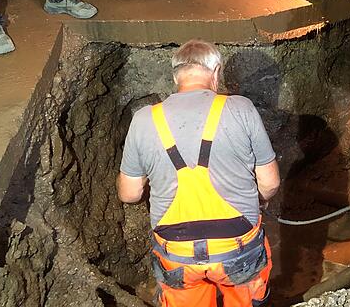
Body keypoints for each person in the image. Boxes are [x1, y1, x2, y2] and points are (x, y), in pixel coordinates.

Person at [118, 39, 280, 307]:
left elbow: (129, 194)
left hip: (177, 253)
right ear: (216, 71)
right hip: (237, 247)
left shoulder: (144, 119)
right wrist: (260, 199)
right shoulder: (241, 108)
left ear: (175, 76)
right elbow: (270, 183)